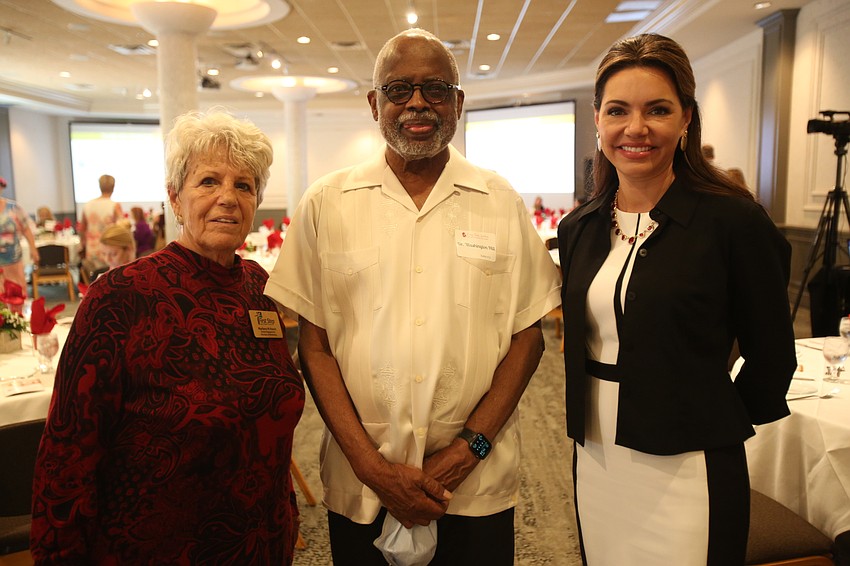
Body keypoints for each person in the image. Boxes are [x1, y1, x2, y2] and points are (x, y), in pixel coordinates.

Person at [264, 28, 561, 565]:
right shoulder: (326, 203)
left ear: (459, 103)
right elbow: (315, 346)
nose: (418, 103)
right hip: (362, 479)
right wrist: (371, 467)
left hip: (475, 478)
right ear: (375, 103)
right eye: (399, 90)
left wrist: (468, 450)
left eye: (436, 88)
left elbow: (528, 339)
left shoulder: (500, 201)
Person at [557, 33, 796, 565]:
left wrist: (714, 414)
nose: (635, 128)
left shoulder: (733, 222)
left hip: (689, 462)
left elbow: (773, 354)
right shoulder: (580, 228)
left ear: (686, 118)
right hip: (596, 454)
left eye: (657, 110)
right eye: (618, 110)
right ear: (597, 119)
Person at [31, 110, 305, 564]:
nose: (228, 198)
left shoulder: (258, 287)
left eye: (244, 185)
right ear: (175, 199)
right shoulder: (120, 297)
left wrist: (287, 515)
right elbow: (66, 455)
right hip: (156, 549)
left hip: (262, 544)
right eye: (209, 182)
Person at [0, 176, 38, 291]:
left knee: (17, 291)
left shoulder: (13, 207)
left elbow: (26, 228)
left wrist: (33, 249)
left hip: (13, 258)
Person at [79, 174, 124, 265]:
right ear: (113, 187)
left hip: (92, 247)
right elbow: (121, 228)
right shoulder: (115, 206)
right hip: (109, 250)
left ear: (99, 186)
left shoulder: (88, 205)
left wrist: (83, 245)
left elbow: (82, 229)